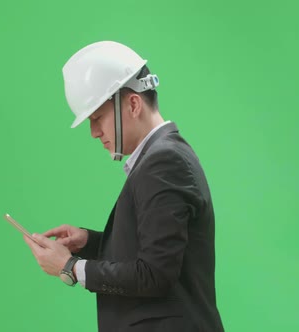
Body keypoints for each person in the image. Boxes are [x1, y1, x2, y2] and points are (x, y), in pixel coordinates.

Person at [23, 41, 225, 332]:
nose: (94, 133)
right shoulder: (161, 158)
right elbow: (156, 249)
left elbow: (155, 274)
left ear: (132, 104)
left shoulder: (164, 162)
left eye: (97, 118)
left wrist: (71, 268)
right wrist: (91, 243)